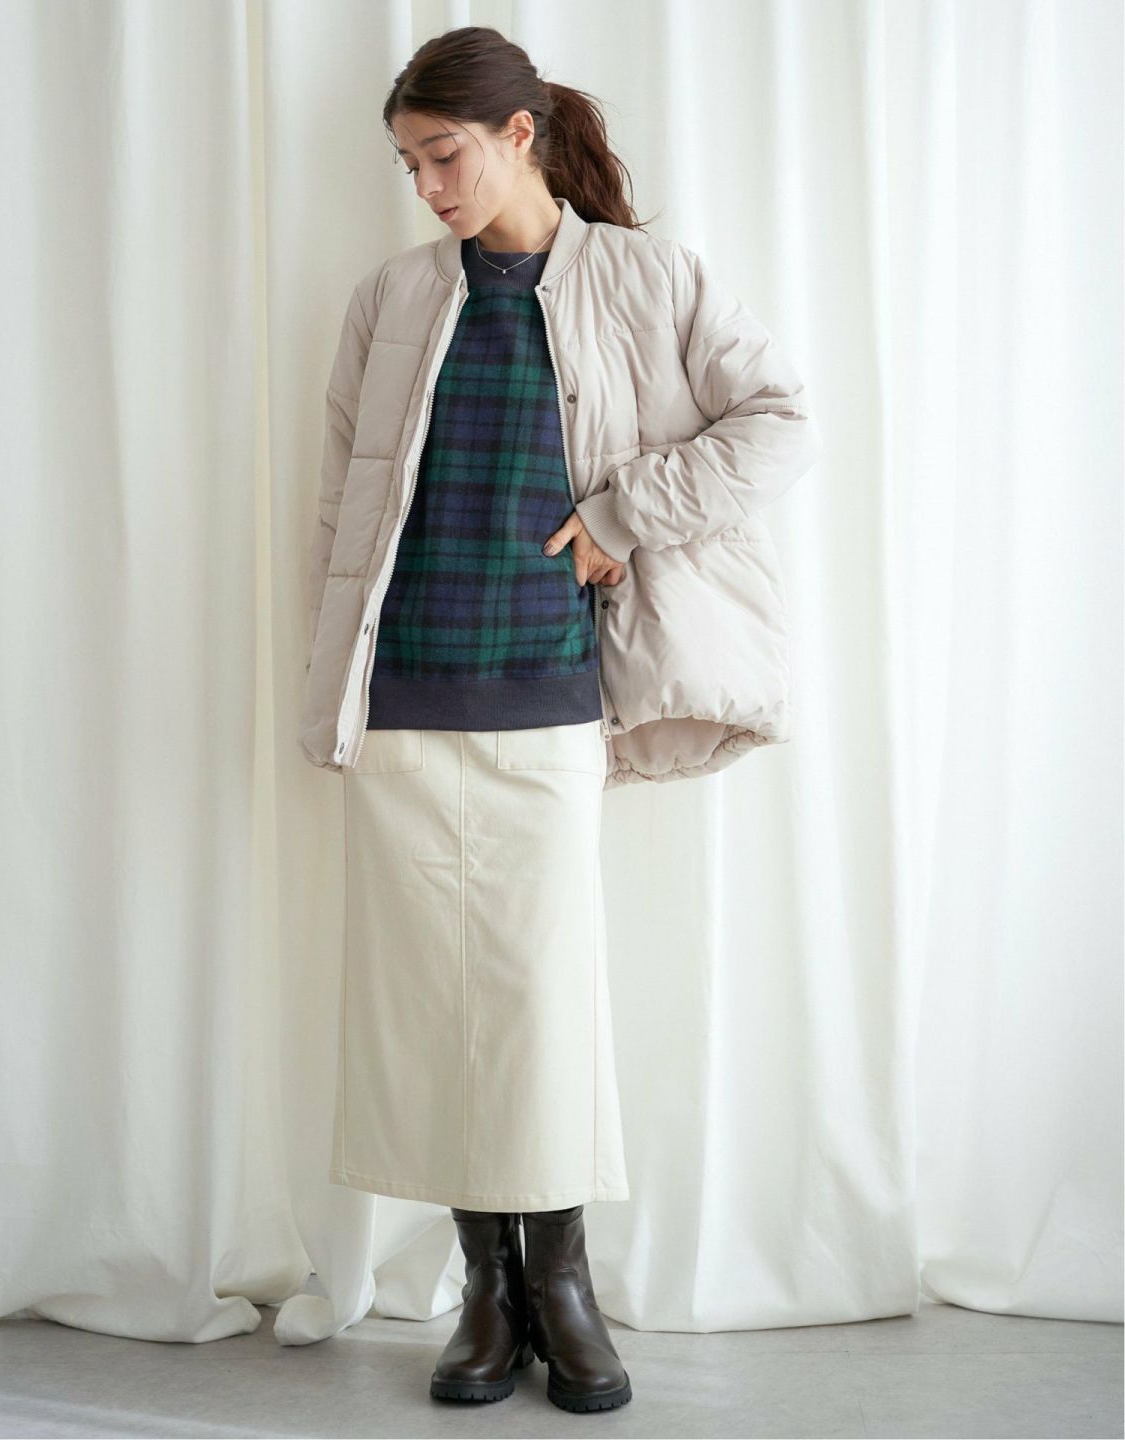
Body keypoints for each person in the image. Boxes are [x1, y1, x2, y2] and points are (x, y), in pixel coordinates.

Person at [301, 23, 821, 1416]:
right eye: (410, 167)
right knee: (432, 1006)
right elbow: (342, 506)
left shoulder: (652, 278)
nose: (428, 189)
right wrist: (332, 676)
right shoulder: (390, 297)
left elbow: (778, 417)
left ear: (519, 135)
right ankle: (488, 1293)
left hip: (547, 692)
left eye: (444, 157)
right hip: (405, 696)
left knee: (540, 1003)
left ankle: (564, 1282)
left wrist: (621, 513)